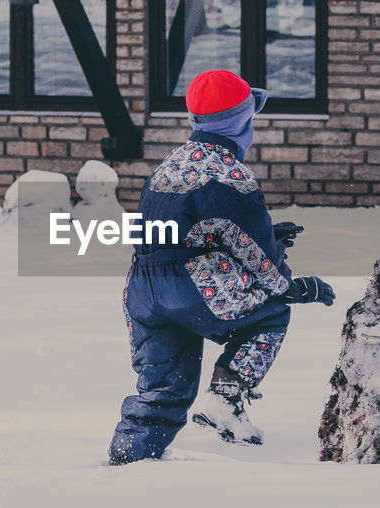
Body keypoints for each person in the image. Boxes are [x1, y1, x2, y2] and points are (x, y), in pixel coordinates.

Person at [108, 70, 336, 465]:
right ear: (242, 122)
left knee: (165, 392)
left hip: (143, 290)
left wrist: (264, 235)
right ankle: (225, 400)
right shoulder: (232, 175)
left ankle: (126, 464)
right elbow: (261, 259)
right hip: (191, 288)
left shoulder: (170, 165)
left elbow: (181, 231)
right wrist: (295, 288)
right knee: (270, 315)